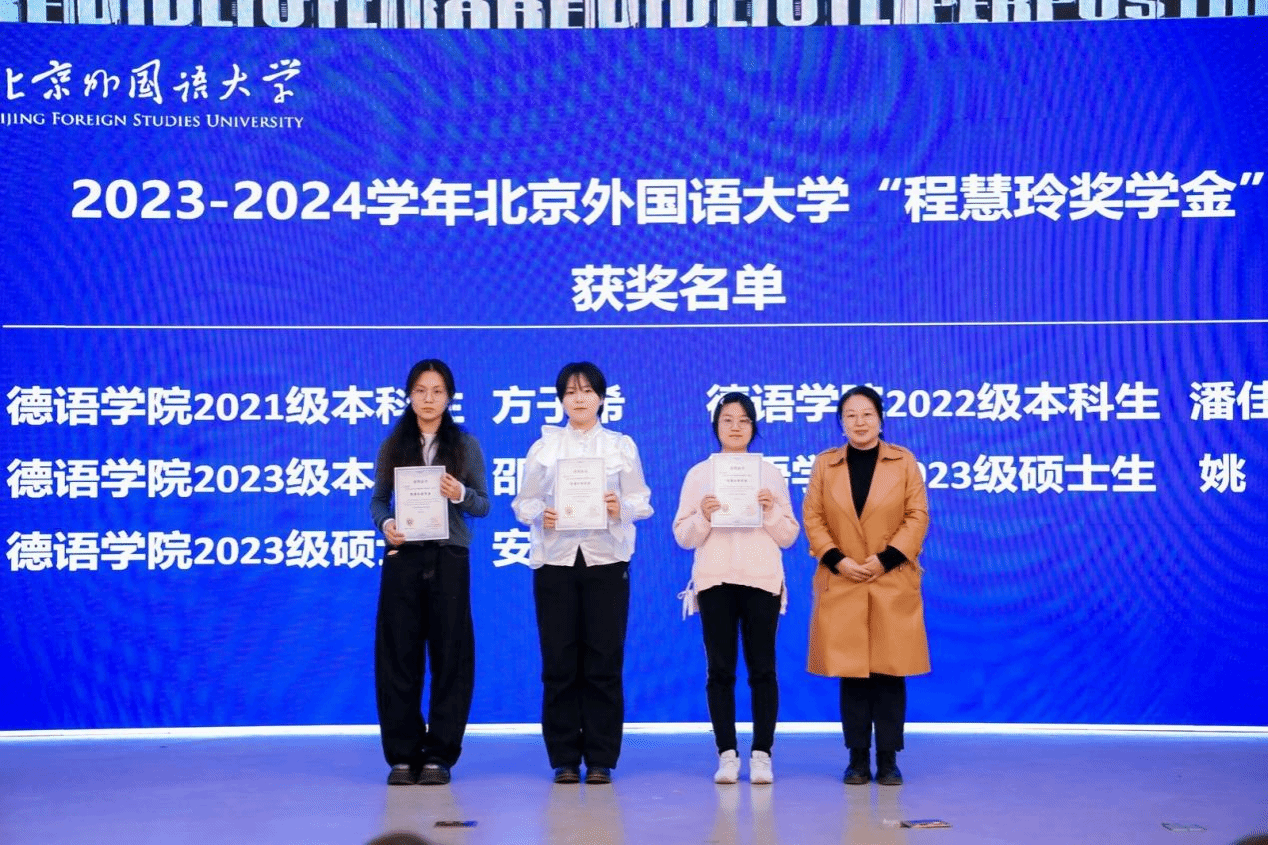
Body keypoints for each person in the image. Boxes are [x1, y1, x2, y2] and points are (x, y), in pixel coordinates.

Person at [512, 362, 653, 785]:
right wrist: (542, 513)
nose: (579, 398)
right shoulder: (545, 447)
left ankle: (601, 757)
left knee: (603, 661)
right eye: (571, 392)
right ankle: (564, 758)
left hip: (606, 560)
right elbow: (523, 503)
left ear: (601, 398)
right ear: (561, 400)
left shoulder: (620, 446)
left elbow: (642, 501)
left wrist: (620, 508)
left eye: (587, 391)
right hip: (555, 562)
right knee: (559, 662)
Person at [370, 359, 490, 786]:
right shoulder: (393, 445)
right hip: (403, 558)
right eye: (421, 390)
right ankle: (403, 755)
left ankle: (440, 754)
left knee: (450, 656)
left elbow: (483, 504)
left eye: (437, 391)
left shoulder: (466, 446)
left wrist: (459, 493)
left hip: (448, 557)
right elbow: (378, 501)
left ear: (449, 397)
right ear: (409, 395)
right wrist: (386, 524)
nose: (428, 399)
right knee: (398, 656)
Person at [802, 385, 929, 786]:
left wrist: (885, 559)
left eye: (867, 414)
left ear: (880, 419)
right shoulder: (826, 464)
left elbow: (917, 515)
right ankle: (857, 759)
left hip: (890, 578)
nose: (859, 422)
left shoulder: (904, 462)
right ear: (841, 423)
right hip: (844, 579)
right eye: (851, 415)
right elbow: (813, 516)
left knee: (890, 674)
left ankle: (889, 759)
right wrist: (837, 559)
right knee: (852, 675)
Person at [673, 392, 800, 785]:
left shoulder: (770, 474)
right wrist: (703, 517)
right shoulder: (699, 475)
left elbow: (789, 535)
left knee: (763, 670)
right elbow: (683, 536)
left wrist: (771, 510)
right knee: (720, 671)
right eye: (727, 419)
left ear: (753, 428)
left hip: (762, 582)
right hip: (715, 582)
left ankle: (762, 754)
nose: (735, 427)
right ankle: (726, 754)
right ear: (716, 426)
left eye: (744, 420)